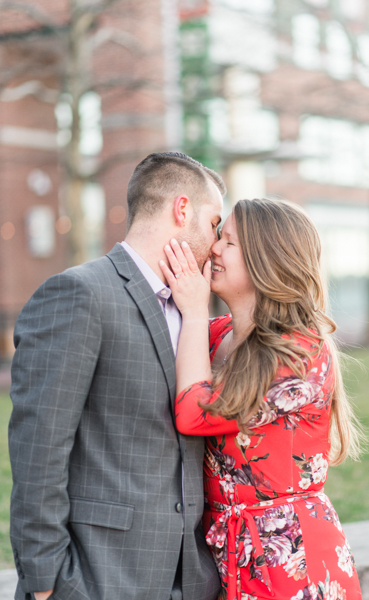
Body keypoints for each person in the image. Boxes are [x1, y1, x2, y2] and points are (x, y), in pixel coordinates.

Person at [9, 152, 224, 600]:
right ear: (182, 209)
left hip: (189, 579)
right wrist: (46, 583)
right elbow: (38, 446)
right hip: (100, 575)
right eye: (213, 223)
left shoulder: (193, 308)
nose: (216, 242)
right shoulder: (79, 293)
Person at [159, 197, 363, 600]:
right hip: (226, 554)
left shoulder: (300, 354)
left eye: (229, 242)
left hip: (291, 561)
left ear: (265, 261)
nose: (214, 248)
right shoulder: (217, 336)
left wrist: (194, 312)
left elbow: (193, 414)